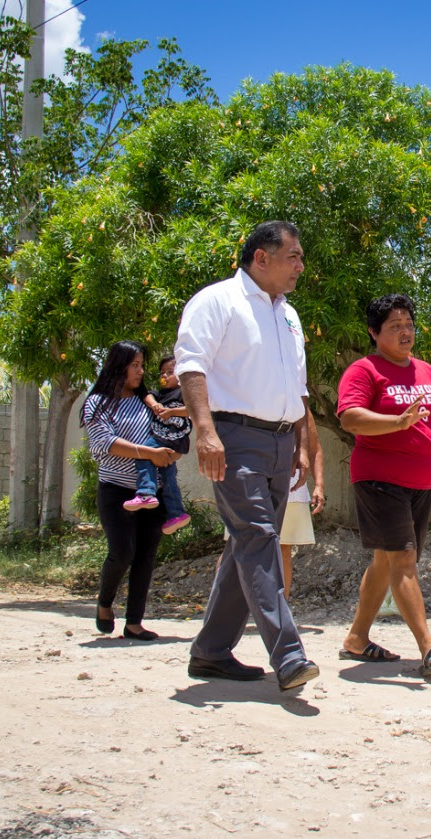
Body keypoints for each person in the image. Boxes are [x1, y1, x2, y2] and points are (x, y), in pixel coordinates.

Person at [174, 220, 320, 691]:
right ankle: (289, 654)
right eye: (293, 256)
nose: (300, 266)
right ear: (261, 258)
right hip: (234, 439)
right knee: (258, 538)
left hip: (280, 443)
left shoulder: (289, 316)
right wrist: (205, 431)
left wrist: (299, 443)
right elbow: (191, 365)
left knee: (246, 546)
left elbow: (297, 387)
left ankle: (211, 652)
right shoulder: (217, 301)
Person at [337, 293, 431, 676]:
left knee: (386, 559)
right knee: (403, 558)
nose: (405, 332)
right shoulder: (364, 370)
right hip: (379, 478)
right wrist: (396, 423)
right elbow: (349, 417)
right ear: (374, 332)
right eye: (395, 326)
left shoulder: (426, 371)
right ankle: (428, 645)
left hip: (420, 482)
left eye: (409, 325)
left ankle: (356, 639)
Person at [81, 340, 179, 641]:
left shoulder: (147, 401)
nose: (141, 371)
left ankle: (134, 623)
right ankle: (105, 602)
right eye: (135, 365)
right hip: (116, 490)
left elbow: (168, 432)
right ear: (118, 366)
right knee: (122, 552)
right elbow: (104, 443)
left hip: (153, 493)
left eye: (142, 366)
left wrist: (173, 450)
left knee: (145, 557)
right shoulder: (97, 402)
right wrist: (149, 454)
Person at [128, 355, 193, 534]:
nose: (164, 376)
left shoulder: (183, 392)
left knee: (143, 454)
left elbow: (192, 409)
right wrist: (155, 405)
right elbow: (146, 395)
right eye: (162, 372)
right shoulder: (160, 394)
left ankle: (146, 492)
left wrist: (171, 412)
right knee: (168, 476)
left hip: (172, 437)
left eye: (170, 372)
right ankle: (176, 513)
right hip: (166, 439)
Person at [279, 409, 325, 601]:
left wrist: (319, 485)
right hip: (252, 482)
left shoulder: (299, 401)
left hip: (291, 486)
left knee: (283, 550)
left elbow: (314, 448)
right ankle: (225, 610)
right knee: (238, 547)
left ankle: (280, 609)